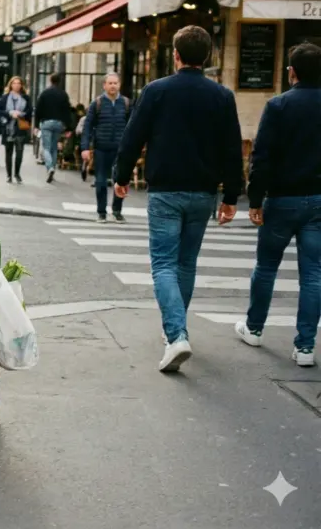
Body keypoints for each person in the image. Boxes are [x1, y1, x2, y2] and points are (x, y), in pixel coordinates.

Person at [114, 25, 244, 373]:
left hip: (166, 189)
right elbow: (233, 149)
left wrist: (121, 176)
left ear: (175, 55)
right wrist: (231, 194)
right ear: (208, 57)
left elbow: (133, 136)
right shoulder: (222, 96)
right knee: (185, 263)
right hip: (203, 191)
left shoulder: (156, 91)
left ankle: (176, 334)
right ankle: (175, 330)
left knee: (163, 263)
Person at [235, 42, 321, 368]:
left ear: (291, 72)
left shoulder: (278, 106)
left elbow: (262, 156)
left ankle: (255, 328)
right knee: (313, 275)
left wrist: (255, 199)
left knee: (266, 266)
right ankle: (305, 347)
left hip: (283, 199)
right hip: (319, 201)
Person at [82, 73, 132, 222]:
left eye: (115, 83)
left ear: (119, 85)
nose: (112, 86)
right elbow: (87, 127)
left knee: (120, 180)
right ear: (104, 85)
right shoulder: (96, 103)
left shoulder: (127, 103)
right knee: (101, 181)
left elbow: (133, 127)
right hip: (101, 148)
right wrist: (85, 147)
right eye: (110, 83)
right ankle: (101, 212)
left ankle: (117, 210)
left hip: (120, 149)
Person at [33, 73, 72, 183]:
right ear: (60, 81)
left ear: (50, 80)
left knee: (46, 147)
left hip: (46, 123)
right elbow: (67, 111)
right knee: (54, 148)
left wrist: (36, 125)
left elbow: (38, 110)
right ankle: (53, 168)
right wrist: (69, 128)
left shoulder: (44, 93)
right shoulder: (63, 94)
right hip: (59, 124)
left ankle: (49, 167)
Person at [0, 76, 31, 184]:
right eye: (14, 83)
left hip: (20, 128)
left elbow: (29, 111)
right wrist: (10, 113)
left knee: (19, 152)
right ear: (11, 85)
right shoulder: (5, 98)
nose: (16, 85)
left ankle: (17, 173)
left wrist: (20, 114)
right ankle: (9, 175)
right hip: (8, 129)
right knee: (9, 152)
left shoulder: (26, 98)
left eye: (18, 83)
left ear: (21, 85)